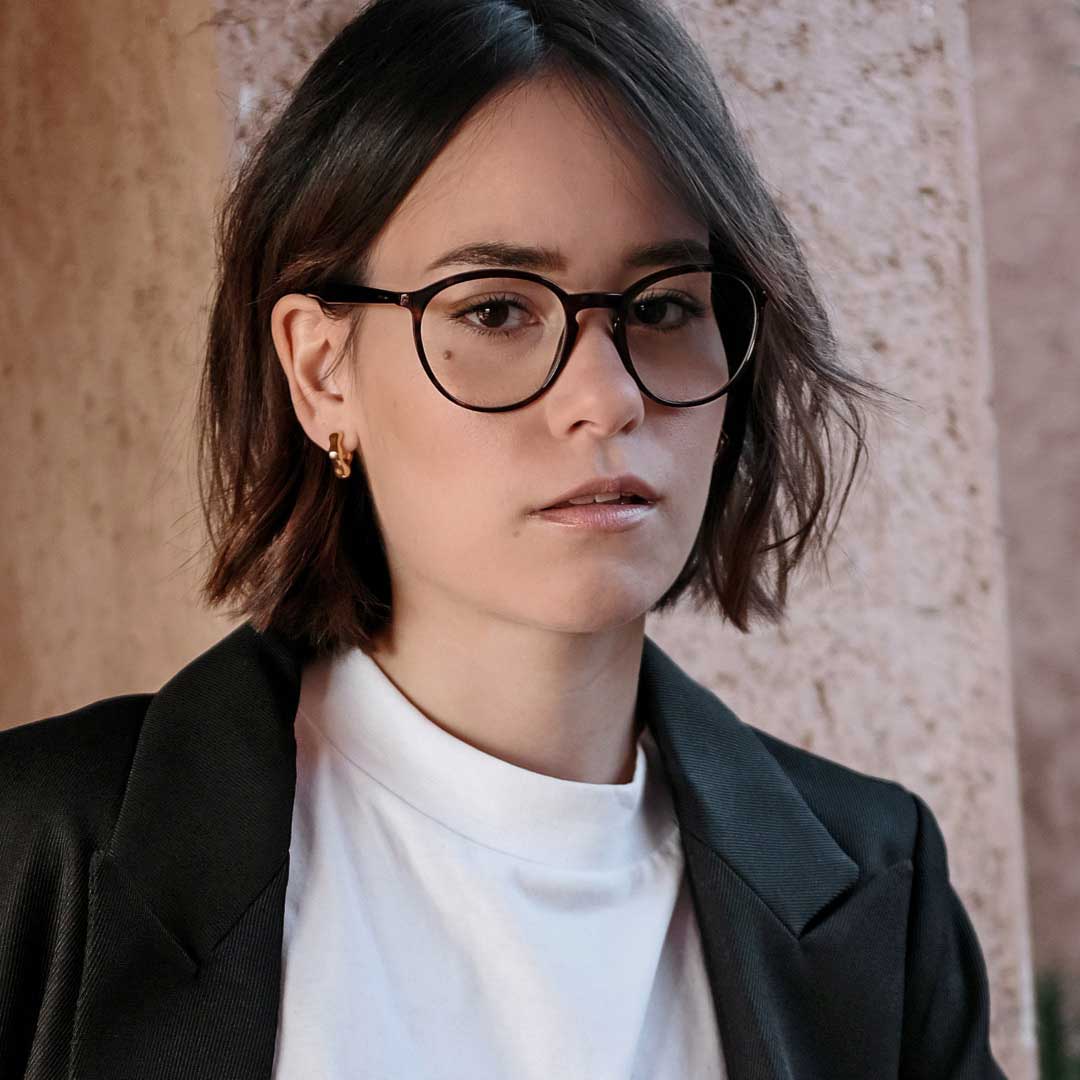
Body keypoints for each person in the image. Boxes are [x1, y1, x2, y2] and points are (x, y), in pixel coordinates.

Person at [0, 0, 1008, 1077]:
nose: (607, 397)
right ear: (322, 371)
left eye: (662, 307)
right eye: (494, 311)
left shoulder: (879, 892)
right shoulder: (43, 851)